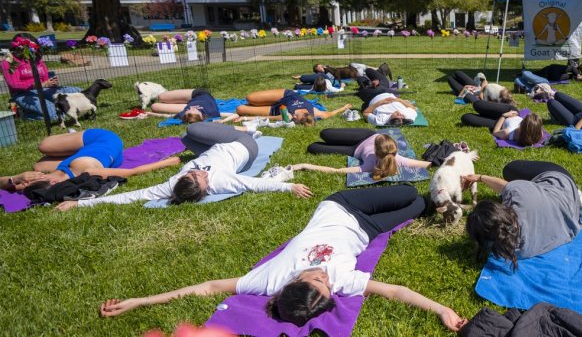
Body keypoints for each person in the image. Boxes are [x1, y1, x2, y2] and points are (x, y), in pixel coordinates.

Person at [94, 184, 467, 331]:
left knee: (403, 190)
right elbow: (396, 291)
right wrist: (440, 309)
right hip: (365, 231)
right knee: (420, 204)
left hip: (341, 206)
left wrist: (139, 300)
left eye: (315, 279)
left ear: (292, 281)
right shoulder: (340, 284)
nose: (323, 275)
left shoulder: (269, 279)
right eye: (325, 283)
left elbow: (206, 287)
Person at [55, 123, 311, 210]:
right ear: (204, 189)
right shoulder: (220, 181)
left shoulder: (173, 184)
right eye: (200, 176)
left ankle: (243, 129)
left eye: (194, 172)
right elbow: (254, 184)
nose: (199, 171)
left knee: (188, 138)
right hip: (242, 144)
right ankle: (250, 131)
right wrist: (290, 187)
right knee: (191, 133)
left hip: (226, 144)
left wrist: (80, 203)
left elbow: (131, 196)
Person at [463, 160, 582, 269]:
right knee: (510, 169)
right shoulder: (519, 194)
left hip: (571, 206)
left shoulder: (520, 251)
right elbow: (504, 186)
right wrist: (480, 177)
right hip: (560, 181)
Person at [1, 129, 180, 192]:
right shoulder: (86, 172)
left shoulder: (50, 177)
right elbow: (131, 172)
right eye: (36, 180)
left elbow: (12, 185)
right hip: (108, 141)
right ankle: (72, 144)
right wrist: (168, 162)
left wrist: (15, 178)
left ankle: (72, 140)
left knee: (41, 154)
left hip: (96, 142)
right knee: (41, 159)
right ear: (52, 181)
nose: (32, 178)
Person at [2, 33, 82, 120]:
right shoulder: (11, 61)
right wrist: (38, 85)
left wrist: (51, 83)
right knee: (56, 114)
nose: (34, 50)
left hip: (43, 90)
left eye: (34, 47)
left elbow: (45, 79)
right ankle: (23, 113)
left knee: (79, 92)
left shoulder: (36, 59)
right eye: (30, 47)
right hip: (23, 94)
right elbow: (14, 84)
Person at [298, 128, 433, 179]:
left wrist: (305, 165)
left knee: (313, 147)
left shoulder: (369, 166)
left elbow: (336, 171)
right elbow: (428, 164)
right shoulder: (398, 159)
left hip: (354, 149)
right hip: (365, 135)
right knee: (325, 134)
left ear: (375, 150)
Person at [235, 89, 350, 127]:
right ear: (305, 113)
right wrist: (344, 107)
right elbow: (331, 113)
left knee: (240, 109)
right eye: (296, 117)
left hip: (274, 109)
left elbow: (266, 118)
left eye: (295, 120)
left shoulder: (288, 117)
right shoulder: (316, 112)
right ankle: (259, 102)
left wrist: (245, 118)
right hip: (286, 95)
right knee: (250, 98)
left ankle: (259, 104)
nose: (293, 117)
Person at [460, 101, 545, 146]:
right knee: (477, 105)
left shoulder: (507, 132)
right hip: (512, 112)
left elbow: (495, 132)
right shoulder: (538, 134)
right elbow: (538, 129)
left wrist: (504, 116)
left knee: (466, 117)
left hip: (501, 120)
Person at [143, 88, 238, 124]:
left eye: (189, 110)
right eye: (195, 110)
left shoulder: (185, 114)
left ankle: (177, 101)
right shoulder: (212, 112)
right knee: (161, 96)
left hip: (186, 104)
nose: (192, 108)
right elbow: (235, 114)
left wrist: (149, 114)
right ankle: (176, 99)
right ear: (202, 115)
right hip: (199, 94)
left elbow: (168, 116)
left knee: (154, 106)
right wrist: (222, 121)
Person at [447, 71, 515, 105]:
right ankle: (477, 83)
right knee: (457, 73)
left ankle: (474, 84)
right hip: (477, 89)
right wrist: (483, 86)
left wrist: (465, 88)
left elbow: (459, 100)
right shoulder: (498, 96)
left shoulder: (477, 101)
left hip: (470, 91)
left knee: (450, 78)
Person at [514, 62, 582, 92]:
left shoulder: (531, 87)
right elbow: (572, 69)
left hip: (548, 76)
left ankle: (577, 76)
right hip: (548, 78)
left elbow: (572, 68)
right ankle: (578, 76)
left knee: (521, 77)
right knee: (570, 76)